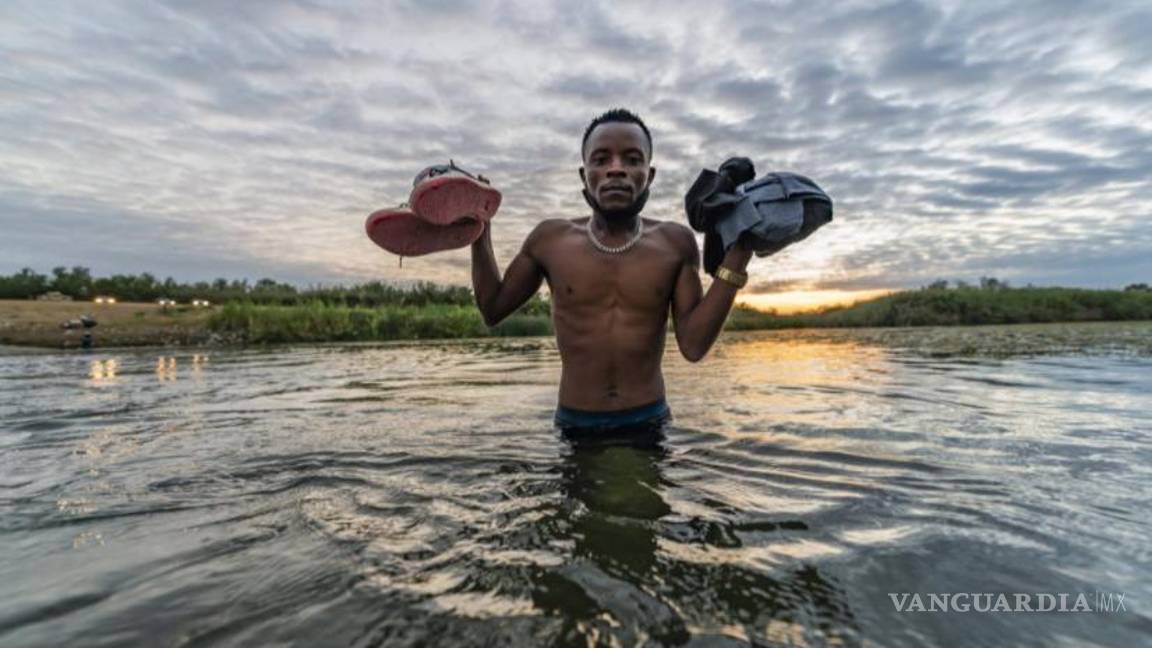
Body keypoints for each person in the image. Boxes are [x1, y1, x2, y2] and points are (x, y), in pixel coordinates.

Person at [470, 108, 753, 442]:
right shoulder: (550, 239)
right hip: (575, 425)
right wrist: (479, 227)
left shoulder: (675, 243)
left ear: (649, 174)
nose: (616, 169)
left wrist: (743, 246)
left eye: (632, 160)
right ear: (584, 173)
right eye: (601, 159)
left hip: (649, 422)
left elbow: (693, 346)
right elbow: (493, 309)